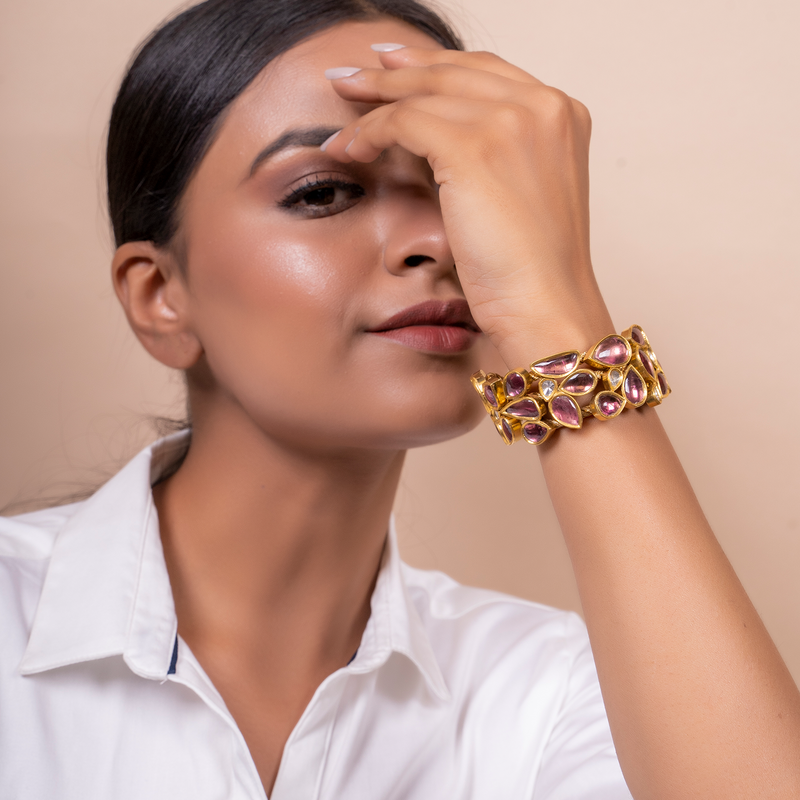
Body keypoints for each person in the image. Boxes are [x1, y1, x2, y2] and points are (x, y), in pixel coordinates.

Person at [1, 0, 798, 797]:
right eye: (322, 193)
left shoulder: (559, 693)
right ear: (159, 294)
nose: (444, 242)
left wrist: (556, 314)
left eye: (455, 190)